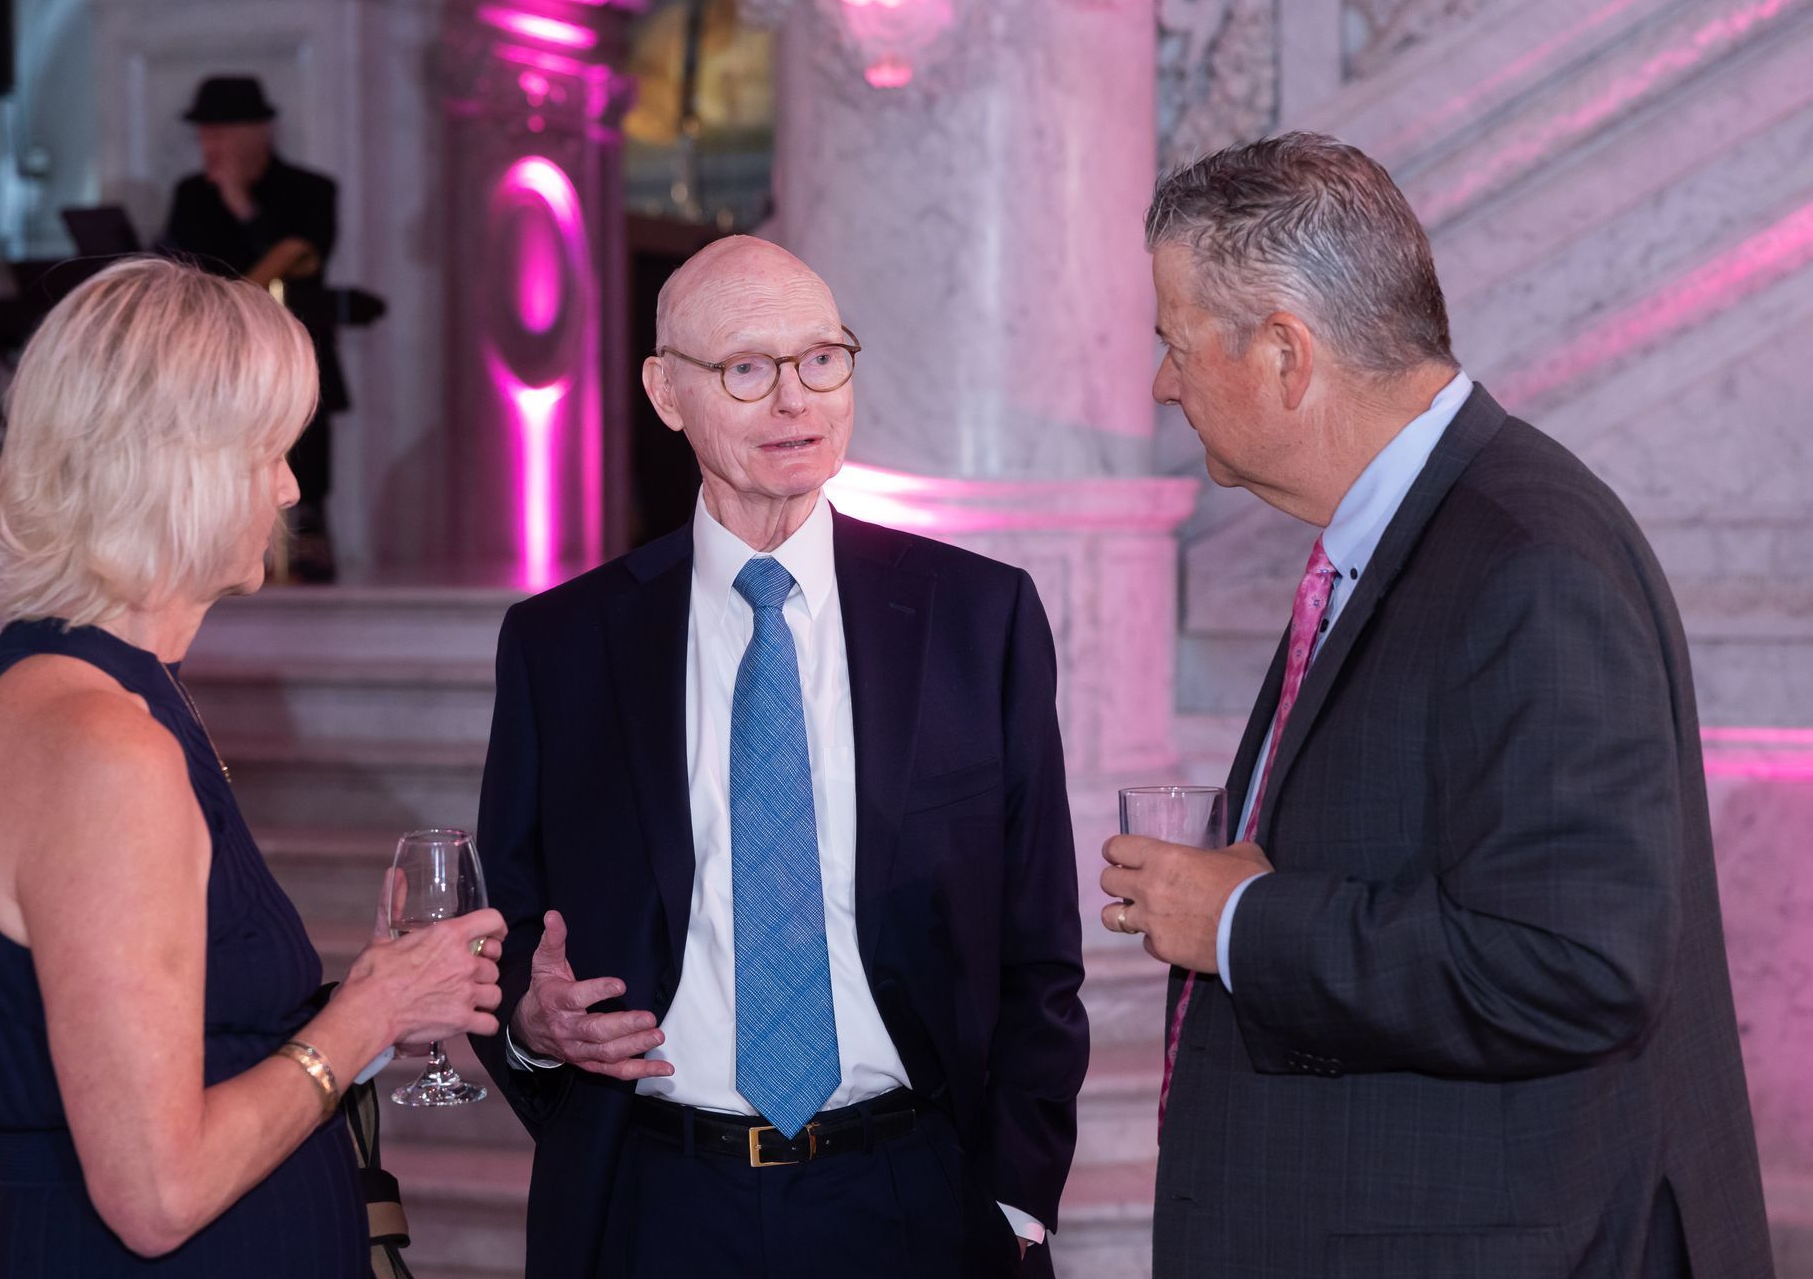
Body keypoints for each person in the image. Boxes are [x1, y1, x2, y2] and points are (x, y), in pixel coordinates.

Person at [1098, 132, 1773, 1277]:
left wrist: (1238, 923)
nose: (1163, 381)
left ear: (1284, 356)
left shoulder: (1528, 560)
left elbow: (1577, 963)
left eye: (1175, 342)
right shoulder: (1428, 529)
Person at [471, 235, 1089, 1279]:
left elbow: (1039, 942)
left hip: (912, 1195)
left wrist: (1016, 1195)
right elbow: (517, 927)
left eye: (822, 360)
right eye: (748, 370)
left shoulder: (976, 616)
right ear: (667, 393)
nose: (796, 401)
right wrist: (534, 1025)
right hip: (656, 1201)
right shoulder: (563, 644)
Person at [0, 257, 505, 1275]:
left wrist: (366, 1008)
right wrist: (370, 1014)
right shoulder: (103, 744)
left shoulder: (110, 695)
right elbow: (156, 1192)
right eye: (267, 451)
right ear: (173, 465)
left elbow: (206, 1053)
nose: (286, 485)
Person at [159, 74, 346, 581]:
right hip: (213, 356)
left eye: (220, 131)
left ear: (257, 132)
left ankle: (307, 543)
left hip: (290, 349)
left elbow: (306, 257)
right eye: (204, 133)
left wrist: (241, 200)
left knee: (302, 443)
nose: (209, 146)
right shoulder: (192, 195)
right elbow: (176, 264)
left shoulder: (311, 191)